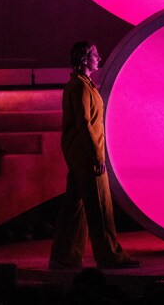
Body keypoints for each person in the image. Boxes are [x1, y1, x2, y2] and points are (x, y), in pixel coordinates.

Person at [50, 41, 139, 270]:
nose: (99, 58)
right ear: (84, 59)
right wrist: (97, 157)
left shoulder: (80, 85)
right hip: (86, 155)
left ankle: (65, 255)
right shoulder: (80, 87)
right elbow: (85, 124)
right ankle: (109, 255)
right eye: (95, 55)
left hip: (79, 154)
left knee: (74, 207)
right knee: (100, 207)